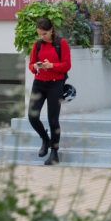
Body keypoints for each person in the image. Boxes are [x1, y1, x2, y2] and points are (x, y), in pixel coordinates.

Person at [27, 16, 71, 165]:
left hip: (55, 84)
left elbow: (66, 65)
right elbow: (31, 64)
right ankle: (45, 139)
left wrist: (51, 66)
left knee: (53, 119)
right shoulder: (37, 45)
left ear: (51, 30)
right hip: (39, 83)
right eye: (39, 34)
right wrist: (36, 67)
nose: (42, 36)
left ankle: (54, 152)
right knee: (32, 116)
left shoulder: (61, 43)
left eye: (44, 34)